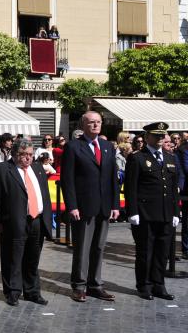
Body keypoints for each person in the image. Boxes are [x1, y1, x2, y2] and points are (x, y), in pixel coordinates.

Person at [60, 111, 120, 303]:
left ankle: (95, 285)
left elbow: (113, 178)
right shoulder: (73, 146)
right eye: (91, 122)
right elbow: (67, 179)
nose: (95, 125)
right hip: (83, 207)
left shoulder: (107, 146)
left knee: (99, 247)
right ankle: (79, 285)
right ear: (83, 125)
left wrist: (115, 204)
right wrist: (72, 206)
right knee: (83, 248)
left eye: (98, 122)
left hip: (104, 206)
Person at [0, 138, 52, 307]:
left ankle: (32, 292)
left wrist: (46, 217)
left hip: (36, 220)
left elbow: (44, 194)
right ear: (15, 154)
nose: (27, 158)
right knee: (12, 258)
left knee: (33, 259)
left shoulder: (37, 168)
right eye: (23, 155)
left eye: (30, 155)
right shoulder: (2, 169)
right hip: (13, 221)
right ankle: (13, 292)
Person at [125, 122, 179, 301]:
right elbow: (131, 187)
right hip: (145, 212)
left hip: (165, 213)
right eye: (156, 136)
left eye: (162, 136)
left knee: (162, 252)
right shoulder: (138, 158)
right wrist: (132, 211)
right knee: (145, 251)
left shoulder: (170, 158)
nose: (159, 139)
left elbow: (173, 189)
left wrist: (175, 213)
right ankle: (144, 285)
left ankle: (159, 284)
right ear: (147, 137)